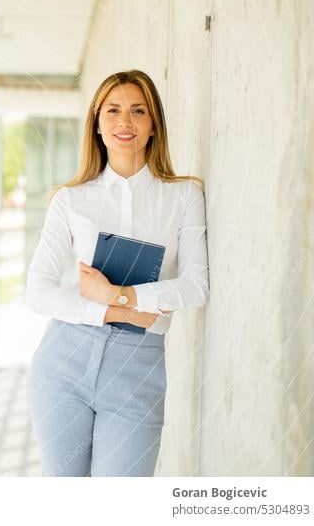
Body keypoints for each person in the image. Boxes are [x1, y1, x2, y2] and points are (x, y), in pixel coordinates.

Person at [24, 69, 209, 477]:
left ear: (154, 125)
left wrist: (118, 295)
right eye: (113, 111)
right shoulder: (70, 200)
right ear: (97, 124)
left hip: (136, 371)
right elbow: (37, 292)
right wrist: (117, 310)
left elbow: (196, 287)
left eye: (138, 111)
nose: (125, 122)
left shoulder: (183, 196)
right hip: (63, 362)